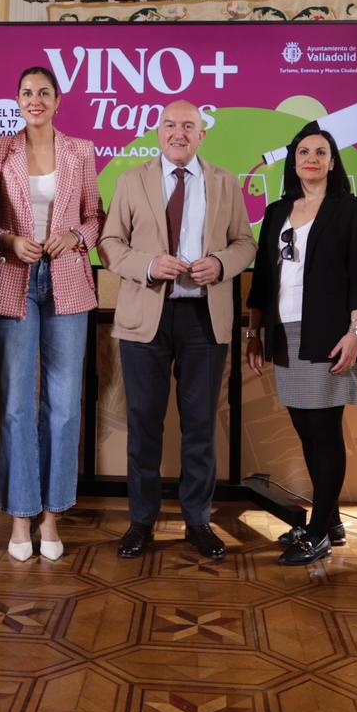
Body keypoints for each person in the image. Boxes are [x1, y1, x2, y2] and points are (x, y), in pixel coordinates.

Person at [99, 100, 257, 560]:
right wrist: (149, 265)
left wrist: (221, 264)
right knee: (144, 423)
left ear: (202, 135)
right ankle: (141, 521)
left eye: (189, 126)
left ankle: (198, 521)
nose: (179, 133)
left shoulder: (225, 182)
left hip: (204, 319)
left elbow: (245, 243)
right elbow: (109, 243)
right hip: (145, 318)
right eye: (170, 125)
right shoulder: (132, 180)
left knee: (201, 425)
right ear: (158, 132)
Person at [0, 66, 104, 562]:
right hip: (13, 280)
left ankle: (52, 516)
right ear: (17, 100)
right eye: (26, 92)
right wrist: (10, 240)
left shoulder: (82, 150)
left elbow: (95, 217)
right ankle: (20, 516)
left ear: (57, 101)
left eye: (44, 93)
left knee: (64, 405)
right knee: (16, 405)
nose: (35, 99)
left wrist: (74, 237)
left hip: (68, 283)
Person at [245, 125, 357, 565]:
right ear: (293, 161)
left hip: (329, 332)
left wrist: (356, 334)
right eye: (304, 152)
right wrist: (254, 334)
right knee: (305, 426)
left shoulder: (351, 209)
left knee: (324, 429)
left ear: (333, 162)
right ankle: (330, 519)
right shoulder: (277, 211)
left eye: (321, 152)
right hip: (284, 332)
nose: (312, 159)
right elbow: (263, 280)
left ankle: (318, 532)